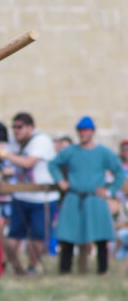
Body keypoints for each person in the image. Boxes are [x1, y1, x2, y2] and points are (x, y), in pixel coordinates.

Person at [48, 116, 124, 274]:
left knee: (101, 237)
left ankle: (102, 271)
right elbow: (53, 164)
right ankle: (65, 271)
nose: (83, 134)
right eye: (80, 130)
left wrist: (110, 191)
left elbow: (119, 172)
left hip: (95, 198)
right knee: (67, 236)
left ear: (92, 132)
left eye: (86, 130)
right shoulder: (71, 151)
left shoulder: (103, 152)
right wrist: (60, 181)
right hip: (74, 197)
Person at [0, 112, 59, 274]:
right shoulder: (15, 143)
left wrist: (3, 153)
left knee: (36, 236)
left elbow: (28, 163)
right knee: (14, 234)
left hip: (42, 198)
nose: (16, 130)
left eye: (20, 127)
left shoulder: (41, 141)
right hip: (21, 195)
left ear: (30, 127)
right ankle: (5, 267)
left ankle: (31, 268)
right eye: (14, 127)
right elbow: (7, 159)